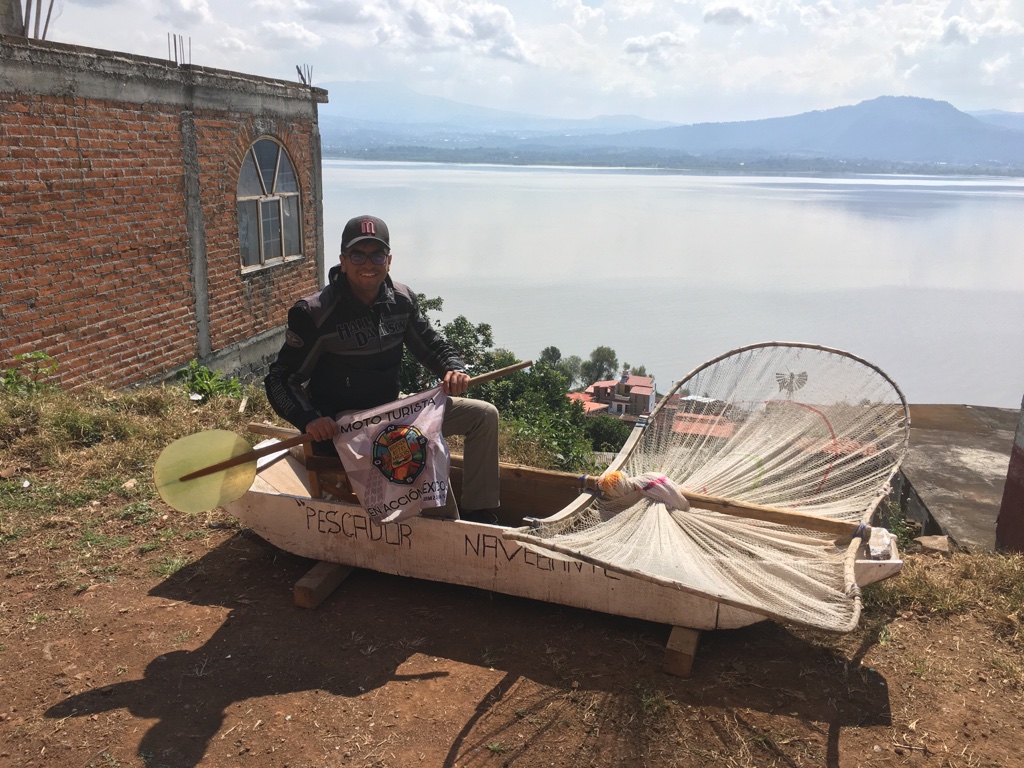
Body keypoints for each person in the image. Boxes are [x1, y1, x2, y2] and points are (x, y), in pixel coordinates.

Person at [264, 214, 500, 520]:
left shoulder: (400, 301)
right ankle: (447, 529)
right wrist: (309, 419)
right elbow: (280, 379)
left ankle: (481, 515)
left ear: (388, 260)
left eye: (377, 255)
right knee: (416, 449)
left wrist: (452, 368)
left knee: (483, 415)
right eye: (357, 255)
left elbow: (432, 346)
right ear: (343, 261)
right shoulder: (316, 314)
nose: (368, 264)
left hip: (395, 414)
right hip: (348, 428)